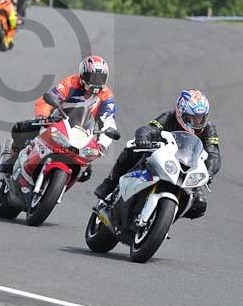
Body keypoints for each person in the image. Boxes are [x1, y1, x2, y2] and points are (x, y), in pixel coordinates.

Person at [93, 89, 220, 220]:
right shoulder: (169, 117)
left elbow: (213, 153)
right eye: (192, 118)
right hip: (162, 158)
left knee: (199, 204)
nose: (196, 123)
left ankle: (164, 219)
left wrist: (210, 171)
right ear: (181, 112)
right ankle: (109, 184)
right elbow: (149, 129)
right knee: (131, 149)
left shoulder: (209, 129)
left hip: (186, 168)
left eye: (200, 118)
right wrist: (143, 138)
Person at [0, 55, 117, 177]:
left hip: (81, 134)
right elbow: (48, 100)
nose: (96, 83)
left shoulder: (106, 95)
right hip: (56, 123)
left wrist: (102, 144)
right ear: (83, 75)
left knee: (86, 174)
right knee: (21, 129)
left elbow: (108, 120)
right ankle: (13, 158)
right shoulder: (70, 83)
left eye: (100, 79)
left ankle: (57, 185)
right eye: (93, 78)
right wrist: (43, 116)